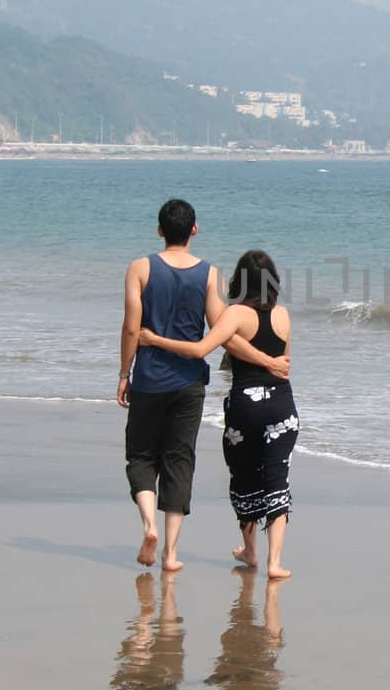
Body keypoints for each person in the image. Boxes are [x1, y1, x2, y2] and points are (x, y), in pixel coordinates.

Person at [118, 203, 287, 572]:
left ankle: (149, 526)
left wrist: (123, 373)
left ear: (159, 231)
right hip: (189, 382)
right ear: (194, 230)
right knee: (179, 459)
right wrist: (268, 359)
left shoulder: (140, 269)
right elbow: (223, 334)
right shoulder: (210, 275)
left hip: (149, 377)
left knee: (142, 455)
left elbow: (132, 328)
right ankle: (171, 554)